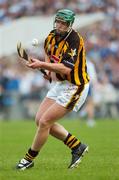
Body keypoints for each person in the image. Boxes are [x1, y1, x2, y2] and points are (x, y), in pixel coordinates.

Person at [16, 9, 90, 170]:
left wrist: (42, 65)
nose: (59, 25)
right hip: (61, 84)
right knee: (40, 120)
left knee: (45, 122)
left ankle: (28, 159)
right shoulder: (51, 36)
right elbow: (49, 55)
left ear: (70, 24)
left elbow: (66, 69)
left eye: (63, 23)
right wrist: (48, 72)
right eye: (58, 21)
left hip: (76, 86)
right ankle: (77, 146)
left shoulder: (75, 40)